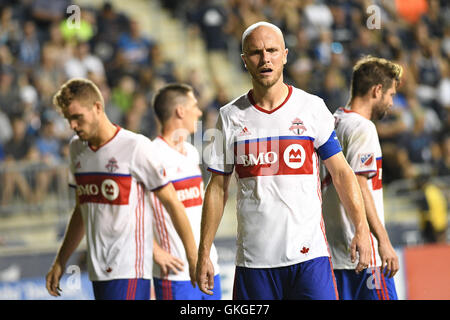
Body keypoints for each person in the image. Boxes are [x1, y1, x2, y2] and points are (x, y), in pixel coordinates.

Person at [196, 21, 372, 300]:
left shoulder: (311, 108)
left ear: (285, 55)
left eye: (272, 50)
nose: (265, 58)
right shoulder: (229, 116)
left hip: (310, 259)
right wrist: (204, 252)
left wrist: (361, 229)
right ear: (244, 60)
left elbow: (341, 173)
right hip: (255, 263)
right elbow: (217, 187)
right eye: (255, 52)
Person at [45, 78, 197, 300]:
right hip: (98, 272)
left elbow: (172, 202)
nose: (73, 126)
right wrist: (60, 261)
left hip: (130, 269)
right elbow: (81, 209)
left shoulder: (135, 146)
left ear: (97, 107)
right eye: (69, 119)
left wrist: (193, 257)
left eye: (77, 117)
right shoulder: (76, 148)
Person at [322, 56, 402, 300]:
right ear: (377, 90)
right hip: (363, 256)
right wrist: (384, 241)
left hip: (334, 254)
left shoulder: (331, 121)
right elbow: (360, 185)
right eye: (390, 95)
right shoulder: (362, 128)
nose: (391, 103)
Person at [150, 83, 222, 300]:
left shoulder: (191, 152)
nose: (199, 112)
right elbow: (131, 212)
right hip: (175, 272)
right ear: (180, 111)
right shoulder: (152, 155)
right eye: (194, 106)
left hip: (209, 265)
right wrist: (154, 251)